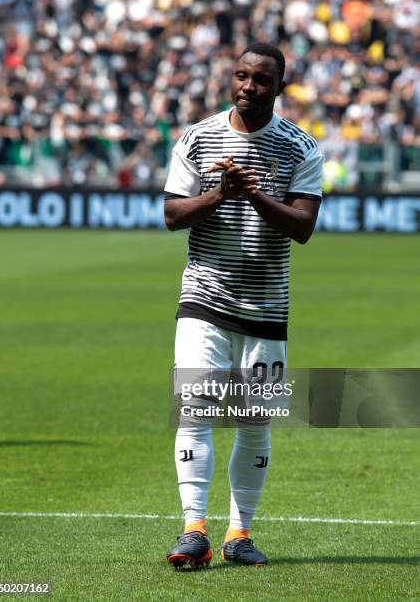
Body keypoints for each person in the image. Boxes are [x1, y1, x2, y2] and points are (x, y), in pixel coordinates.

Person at [164, 42, 323, 568]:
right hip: (203, 299)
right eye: (241, 76)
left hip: (265, 307)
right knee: (196, 411)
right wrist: (219, 194)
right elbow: (171, 214)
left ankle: (239, 534)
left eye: (260, 79)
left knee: (254, 423)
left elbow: (302, 227)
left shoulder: (300, 148)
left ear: (280, 87)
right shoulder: (199, 137)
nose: (248, 87)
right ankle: (193, 530)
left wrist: (253, 195)